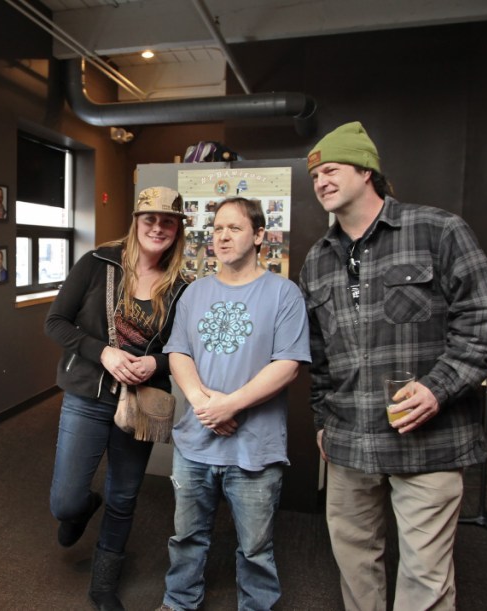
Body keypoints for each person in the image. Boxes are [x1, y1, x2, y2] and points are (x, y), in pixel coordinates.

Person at [299, 121, 487, 610]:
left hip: (427, 440)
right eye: (314, 177)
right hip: (349, 439)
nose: (321, 182)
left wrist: (437, 388)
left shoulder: (437, 229)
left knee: (425, 578)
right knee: (353, 563)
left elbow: (486, 318)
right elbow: (320, 354)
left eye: (331, 170)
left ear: (367, 171)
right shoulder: (317, 260)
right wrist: (322, 421)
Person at [155, 197, 310, 611]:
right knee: (186, 537)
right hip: (195, 443)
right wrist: (205, 405)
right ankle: (179, 602)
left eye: (234, 228)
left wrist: (231, 406)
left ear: (259, 235)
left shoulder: (284, 294)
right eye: (216, 229)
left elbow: (288, 364)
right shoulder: (195, 293)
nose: (221, 236)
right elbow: (178, 354)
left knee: (256, 547)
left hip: (255, 447)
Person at [45, 186, 190, 611]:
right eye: (150, 219)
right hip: (88, 396)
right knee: (64, 500)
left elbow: (183, 350)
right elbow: (55, 322)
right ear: (136, 222)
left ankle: (104, 585)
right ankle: (82, 507)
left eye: (168, 221)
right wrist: (102, 351)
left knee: (125, 496)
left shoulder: (183, 286)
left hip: (141, 406)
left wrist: (157, 366)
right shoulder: (97, 263)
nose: (158, 228)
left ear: (177, 228)